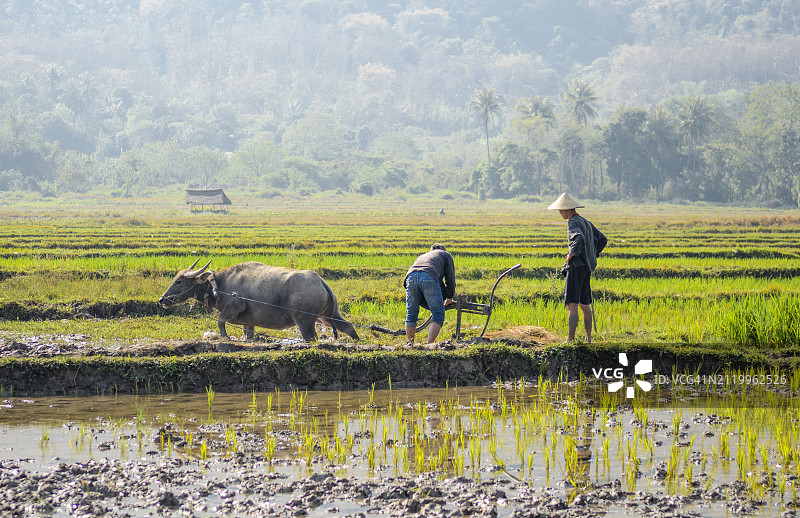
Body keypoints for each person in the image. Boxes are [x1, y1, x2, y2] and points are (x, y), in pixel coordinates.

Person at [548, 193, 607, 343]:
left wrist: (571, 254)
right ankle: (588, 338)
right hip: (586, 267)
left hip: (575, 267)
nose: (560, 213)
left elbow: (578, 238)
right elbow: (602, 240)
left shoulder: (573, 222)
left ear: (567, 210)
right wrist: (591, 254)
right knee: (584, 303)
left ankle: (570, 339)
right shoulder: (585, 221)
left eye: (561, 210)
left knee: (571, 303)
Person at [404, 244, 455, 344]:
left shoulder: (423, 256)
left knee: (411, 312)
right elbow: (450, 279)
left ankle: (410, 343)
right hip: (429, 276)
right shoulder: (446, 255)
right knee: (438, 313)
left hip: (410, 277)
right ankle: (429, 344)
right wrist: (449, 297)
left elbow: (438, 282)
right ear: (443, 250)